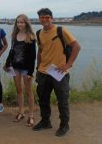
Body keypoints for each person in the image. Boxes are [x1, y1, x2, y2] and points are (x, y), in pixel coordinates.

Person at [32, 8, 81, 137]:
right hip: (43, 72)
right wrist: (38, 69)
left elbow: (76, 46)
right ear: (39, 19)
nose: (44, 19)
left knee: (62, 100)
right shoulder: (39, 33)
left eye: (47, 17)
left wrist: (68, 64)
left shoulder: (61, 30)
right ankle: (45, 121)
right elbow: (40, 51)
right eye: (41, 17)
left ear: (51, 18)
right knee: (43, 99)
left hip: (59, 72)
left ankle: (64, 125)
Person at [4, 14, 36, 127]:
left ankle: (31, 115)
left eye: (22, 22)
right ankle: (21, 112)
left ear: (26, 23)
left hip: (26, 69)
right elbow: (12, 51)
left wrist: (30, 72)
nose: (20, 24)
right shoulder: (14, 35)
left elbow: (33, 57)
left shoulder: (31, 37)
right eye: (18, 22)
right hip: (15, 67)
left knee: (29, 91)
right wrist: (7, 63)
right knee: (19, 91)